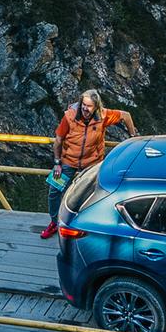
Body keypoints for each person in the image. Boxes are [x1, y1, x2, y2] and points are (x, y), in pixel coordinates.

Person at [41, 89, 137, 238]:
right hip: (68, 161)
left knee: (96, 193)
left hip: (92, 163)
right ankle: (54, 222)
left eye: (89, 106)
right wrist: (57, 163)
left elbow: (126, 115)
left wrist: (133, 137)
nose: (85, 108)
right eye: (83, 105)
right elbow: (58, 140)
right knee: (54, 191)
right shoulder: (69, 117)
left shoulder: (103, 116)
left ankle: (88, 225)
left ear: (96, 107)